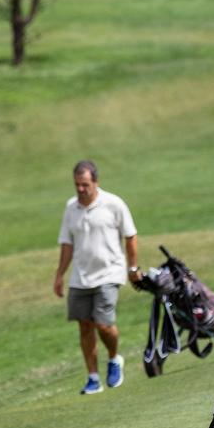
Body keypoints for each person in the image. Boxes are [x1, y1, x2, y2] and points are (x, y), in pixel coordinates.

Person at [53, 160, 141, 395]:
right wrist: (59, 275)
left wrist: (132, 268)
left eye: (85, 184)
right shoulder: (71, 207)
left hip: (109, 272)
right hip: (80, 276)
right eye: (77, 185)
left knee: (103, 324)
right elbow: (67, 244)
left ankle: (114, 358)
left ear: (95, 182)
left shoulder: (113, 204)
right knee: (85, 326)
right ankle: (93, 378)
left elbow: (130, 236)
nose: (80, 189)